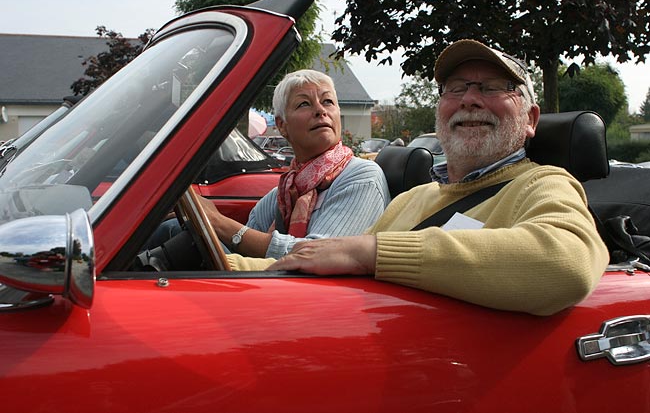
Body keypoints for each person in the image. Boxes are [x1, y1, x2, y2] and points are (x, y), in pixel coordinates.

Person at [269, 39, 609, 316]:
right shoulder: (411, 199)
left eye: (493, 88)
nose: (471, 100)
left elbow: (568, 264)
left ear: (531, 119)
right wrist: (226, 263)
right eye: (455, 89)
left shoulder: (543, 184)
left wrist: (371, 253)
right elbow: (318, 265)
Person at [199, 69, 390, 269]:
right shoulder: (283, 193)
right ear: (282, 125)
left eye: (328, 102)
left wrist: (218, 222)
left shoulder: (362, 177)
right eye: (304, 104)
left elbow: (317, 255)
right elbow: (243, 248)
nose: (320, 110)